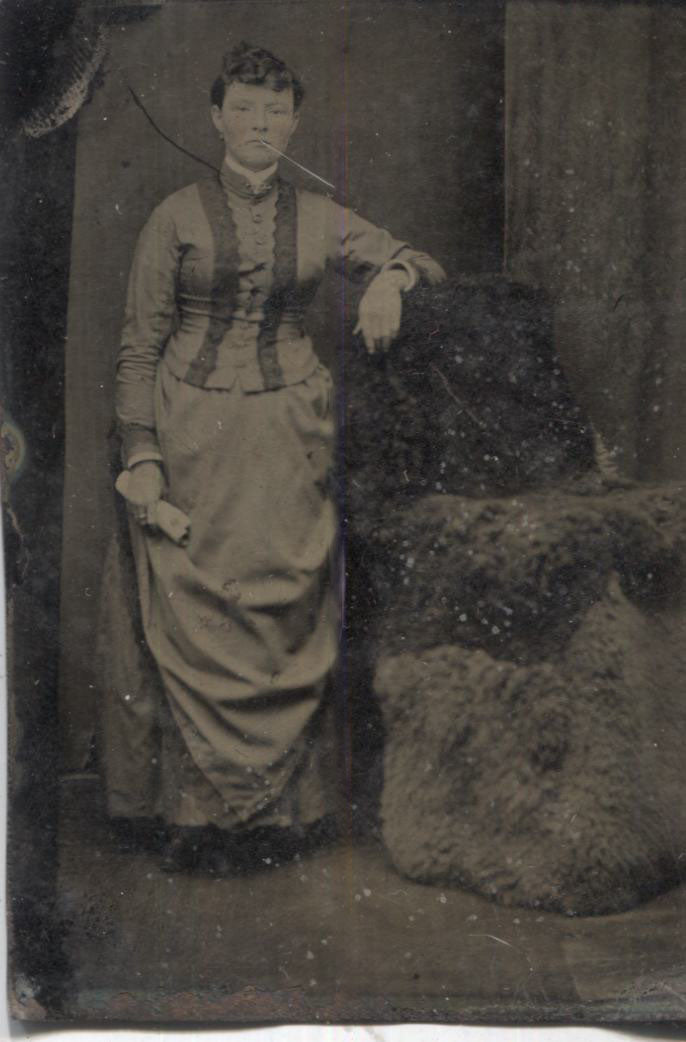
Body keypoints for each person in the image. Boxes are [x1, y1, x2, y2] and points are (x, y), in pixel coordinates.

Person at [104, 41, 446, 872]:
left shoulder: (320, 216)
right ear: (218, 117)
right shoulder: (175, 217)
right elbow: (138, 351)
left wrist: (386, 282)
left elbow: (420, 261)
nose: (260, 124)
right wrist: (142, 452)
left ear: (293, 123)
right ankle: (197, 818)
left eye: (276, 110)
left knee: (284, 610)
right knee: (198, 610)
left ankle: (284, 816)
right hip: (193, 441)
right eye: (245, 108)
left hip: (292, 436)